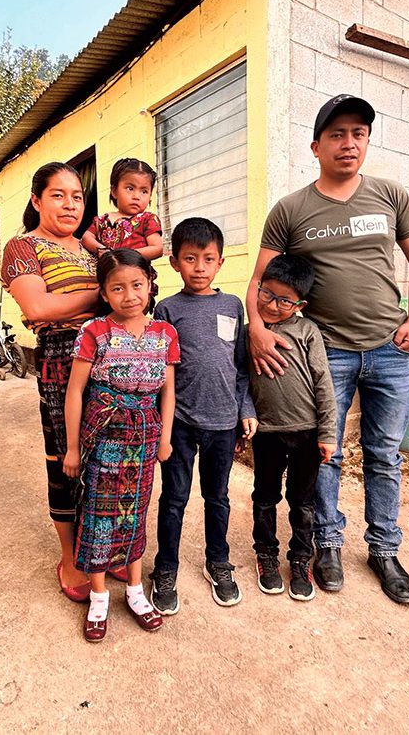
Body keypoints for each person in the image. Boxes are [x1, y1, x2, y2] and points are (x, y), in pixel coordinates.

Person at [247, 94, 409, 605]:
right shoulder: (291, 209)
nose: (348, 143)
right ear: (316, 146)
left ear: (367, 141)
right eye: (337, 134)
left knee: (384, 455)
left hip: (390, 348)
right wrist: (257, 327)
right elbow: (260, 280)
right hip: (325, 351)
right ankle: (327, 544)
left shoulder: (390, 196)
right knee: (324, 453)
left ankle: (384, 550)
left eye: (358, 133)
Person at [62, 249, 178, 642]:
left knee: (134, 511)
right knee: (98, 513)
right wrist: (74, 449)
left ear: (149, 284)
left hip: (145, 433)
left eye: (137, 285)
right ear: (104, 293)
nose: (129, 295)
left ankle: (133, 590)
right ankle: (98, 597)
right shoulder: (94, 332)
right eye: (117, 288)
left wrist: (164, 438)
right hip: (105, 431)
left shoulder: (165, 334)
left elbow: (168, 392)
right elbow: (75, 392)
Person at [1, 162, 101, 604]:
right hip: (61, 358)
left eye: (77, 196)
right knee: (66, 459)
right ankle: (71, 556)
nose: (69, 204)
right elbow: (39, 308)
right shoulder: (22, 247)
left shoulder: (95, 249)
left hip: (111, 356)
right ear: (37, 200)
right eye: (58, 195)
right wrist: (105, 293)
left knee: (108, 456)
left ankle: (102, 544)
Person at [149, 217, 258, 613]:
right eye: (190, 258)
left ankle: (218, 562)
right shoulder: (167, 308)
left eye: (208, 259)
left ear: (221, 262)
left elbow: (240, 366)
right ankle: (165, 568)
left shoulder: (232, 306)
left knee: (218, 497)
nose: (199, 267)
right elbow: (159, 370)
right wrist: (159, 422)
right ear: (174, 262)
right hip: (179, 423)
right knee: (174, 498)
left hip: (224, 422)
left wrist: (245, 408)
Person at [248, 254, 337, 602]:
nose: (273, 305)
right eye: (267, 294)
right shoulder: (250, 334)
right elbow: (242, 380)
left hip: (307, 433)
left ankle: (300, 559)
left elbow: (323, 382)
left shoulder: (307, 331)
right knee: (265, 497)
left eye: (285, 300)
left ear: (299, 304)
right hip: (267, 432)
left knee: (302, 502)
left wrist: (328, 433)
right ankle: (266, 555)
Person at [79, 158, 164, 260]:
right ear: (114, 191)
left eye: (144, 191)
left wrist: (124, 255)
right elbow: (86, 238)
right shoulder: (102, 221)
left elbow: (157, 249)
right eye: (130, 189)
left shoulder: (148, 219)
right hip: (108, 273)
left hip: (136, 273)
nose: (136, 196)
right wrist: (103, 250)